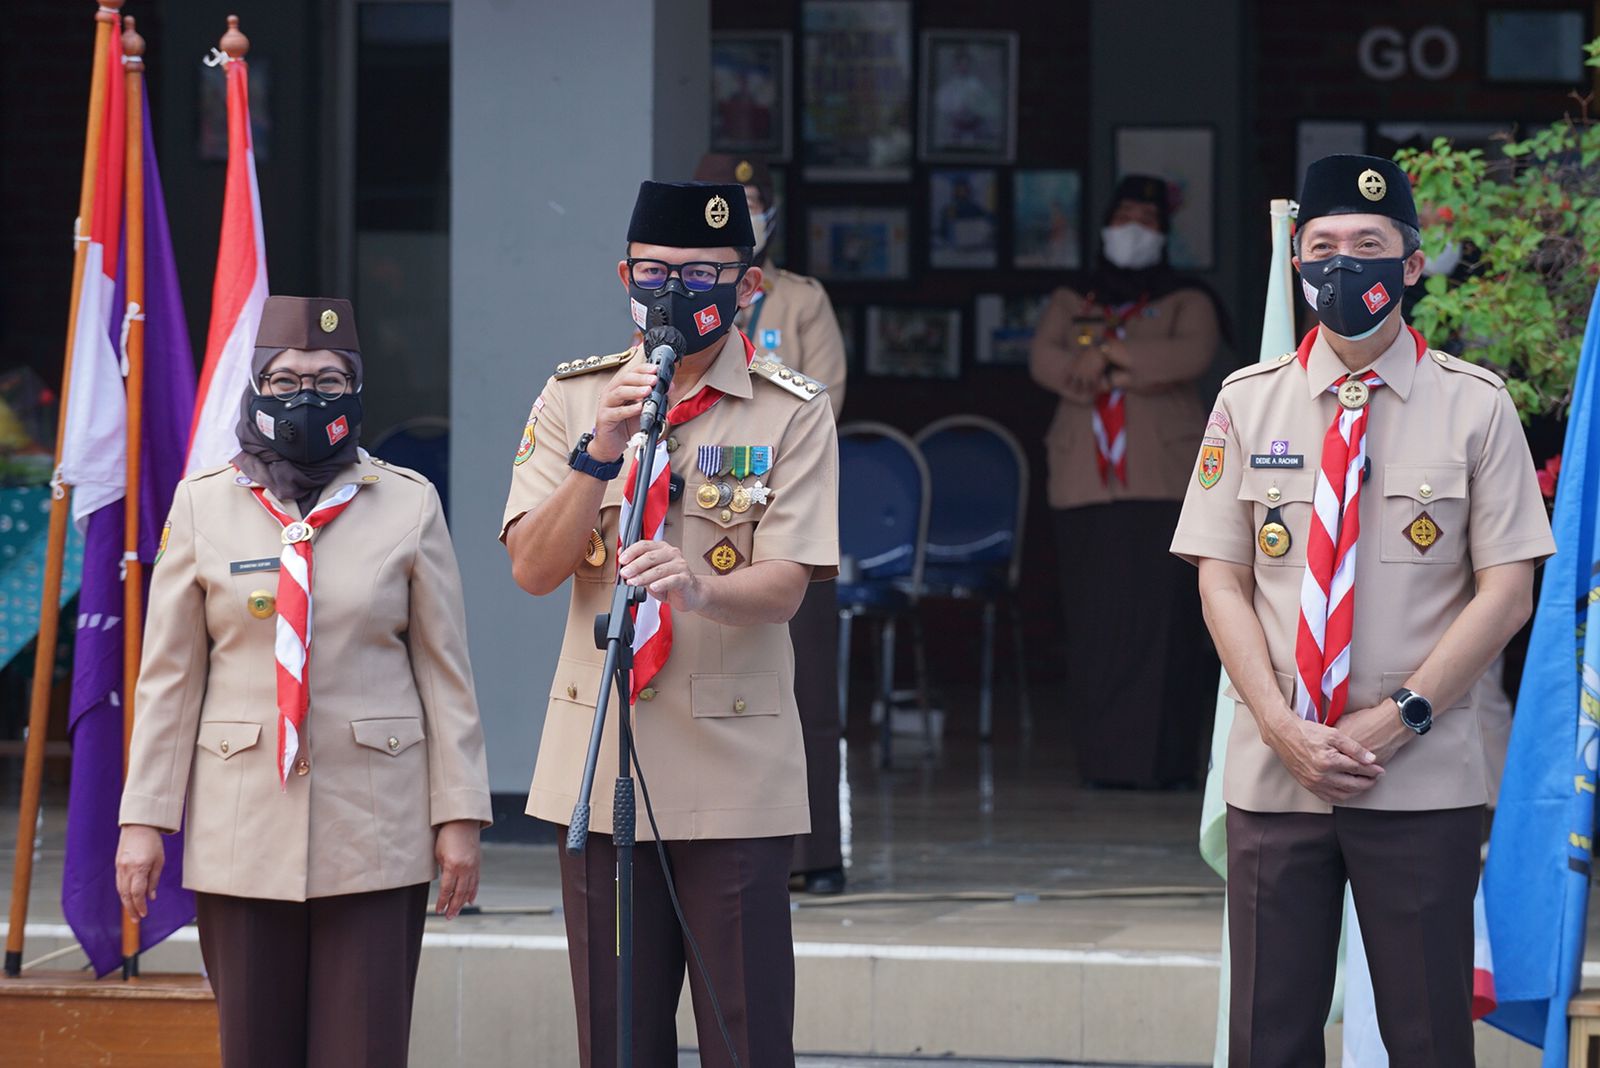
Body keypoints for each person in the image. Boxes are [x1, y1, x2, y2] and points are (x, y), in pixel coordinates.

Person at [1170, 154, 1555, 1065]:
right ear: (1298, 267)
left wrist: (1398, 721)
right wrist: (1278, 724)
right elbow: (1219, 577)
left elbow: (1507, 591)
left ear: (1412, 266)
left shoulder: (1477, 406)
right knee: (1269, 1036)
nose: (1344, 266)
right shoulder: (1246, 403)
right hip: (1278, 768)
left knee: (1426, 1035)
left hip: (1420, 774)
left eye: (1370, 246)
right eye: (1324, 247)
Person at [501, 180, 839, 1067]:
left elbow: (789, 583)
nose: (675, 293)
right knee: (616, 1039)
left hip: (734, 768)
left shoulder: (791, 407)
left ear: (746, 287)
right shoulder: (574, 397)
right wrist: (597, 457)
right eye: (656, 272)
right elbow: (534, 570)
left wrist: (698, 590)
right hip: (600, 756)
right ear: (624, 275)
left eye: (702, 274)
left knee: (747, 1035)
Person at [114, 297, 492, 1068]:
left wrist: (459, 815)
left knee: (365, 1048)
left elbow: (444, 672)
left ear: (354, 391)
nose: (305, 396)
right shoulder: (203, 504)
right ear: (256, 390)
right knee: (254, 1048)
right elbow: (169, 681)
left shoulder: (408, 502)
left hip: (377, 827)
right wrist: (143, 818)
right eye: (284, 380)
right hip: (242, 824)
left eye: (327, 379)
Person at [1028, 174, 1224, 789]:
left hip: (1160, 481)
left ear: (1164, 234)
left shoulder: (1186, 297)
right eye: (1125, 217)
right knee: (1097, 625)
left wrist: (1110, 356)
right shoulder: (1071, 296)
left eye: (1147, 219)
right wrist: (1090, 365)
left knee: (1164, 624)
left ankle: (1161, 763)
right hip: (1086, 481)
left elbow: (1191, 355)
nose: (1133, 230)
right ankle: (1106, 762)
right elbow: (1044, 359)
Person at [693, 151, 849, 894]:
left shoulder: (798, 299)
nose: (740, 213)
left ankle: (813, 856)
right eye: (726, 199)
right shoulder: (673, 298)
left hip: (784, 511)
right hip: (697, 527)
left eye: (751, 201)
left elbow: (825, 395)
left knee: (806, 690)